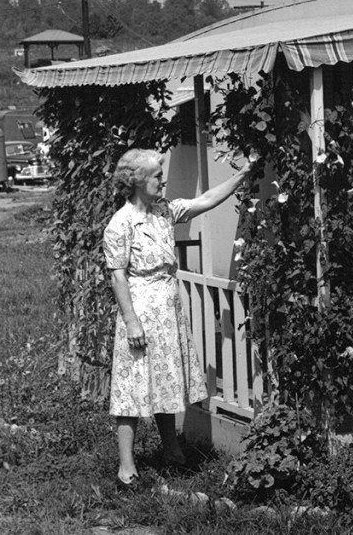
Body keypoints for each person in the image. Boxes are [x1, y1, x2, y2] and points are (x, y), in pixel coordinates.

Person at [103, 148, 254, 488]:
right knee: (132, 389)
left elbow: (206, 200)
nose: (163, 179)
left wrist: (243, 175)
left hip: (167, 309)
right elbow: (118, 277)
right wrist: (132, 322)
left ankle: (171, 451)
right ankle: (126, 468)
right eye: (157, 175)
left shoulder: (164, 211)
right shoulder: (121, 224)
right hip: (140, 311)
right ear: (137, 181)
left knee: (166, 382)